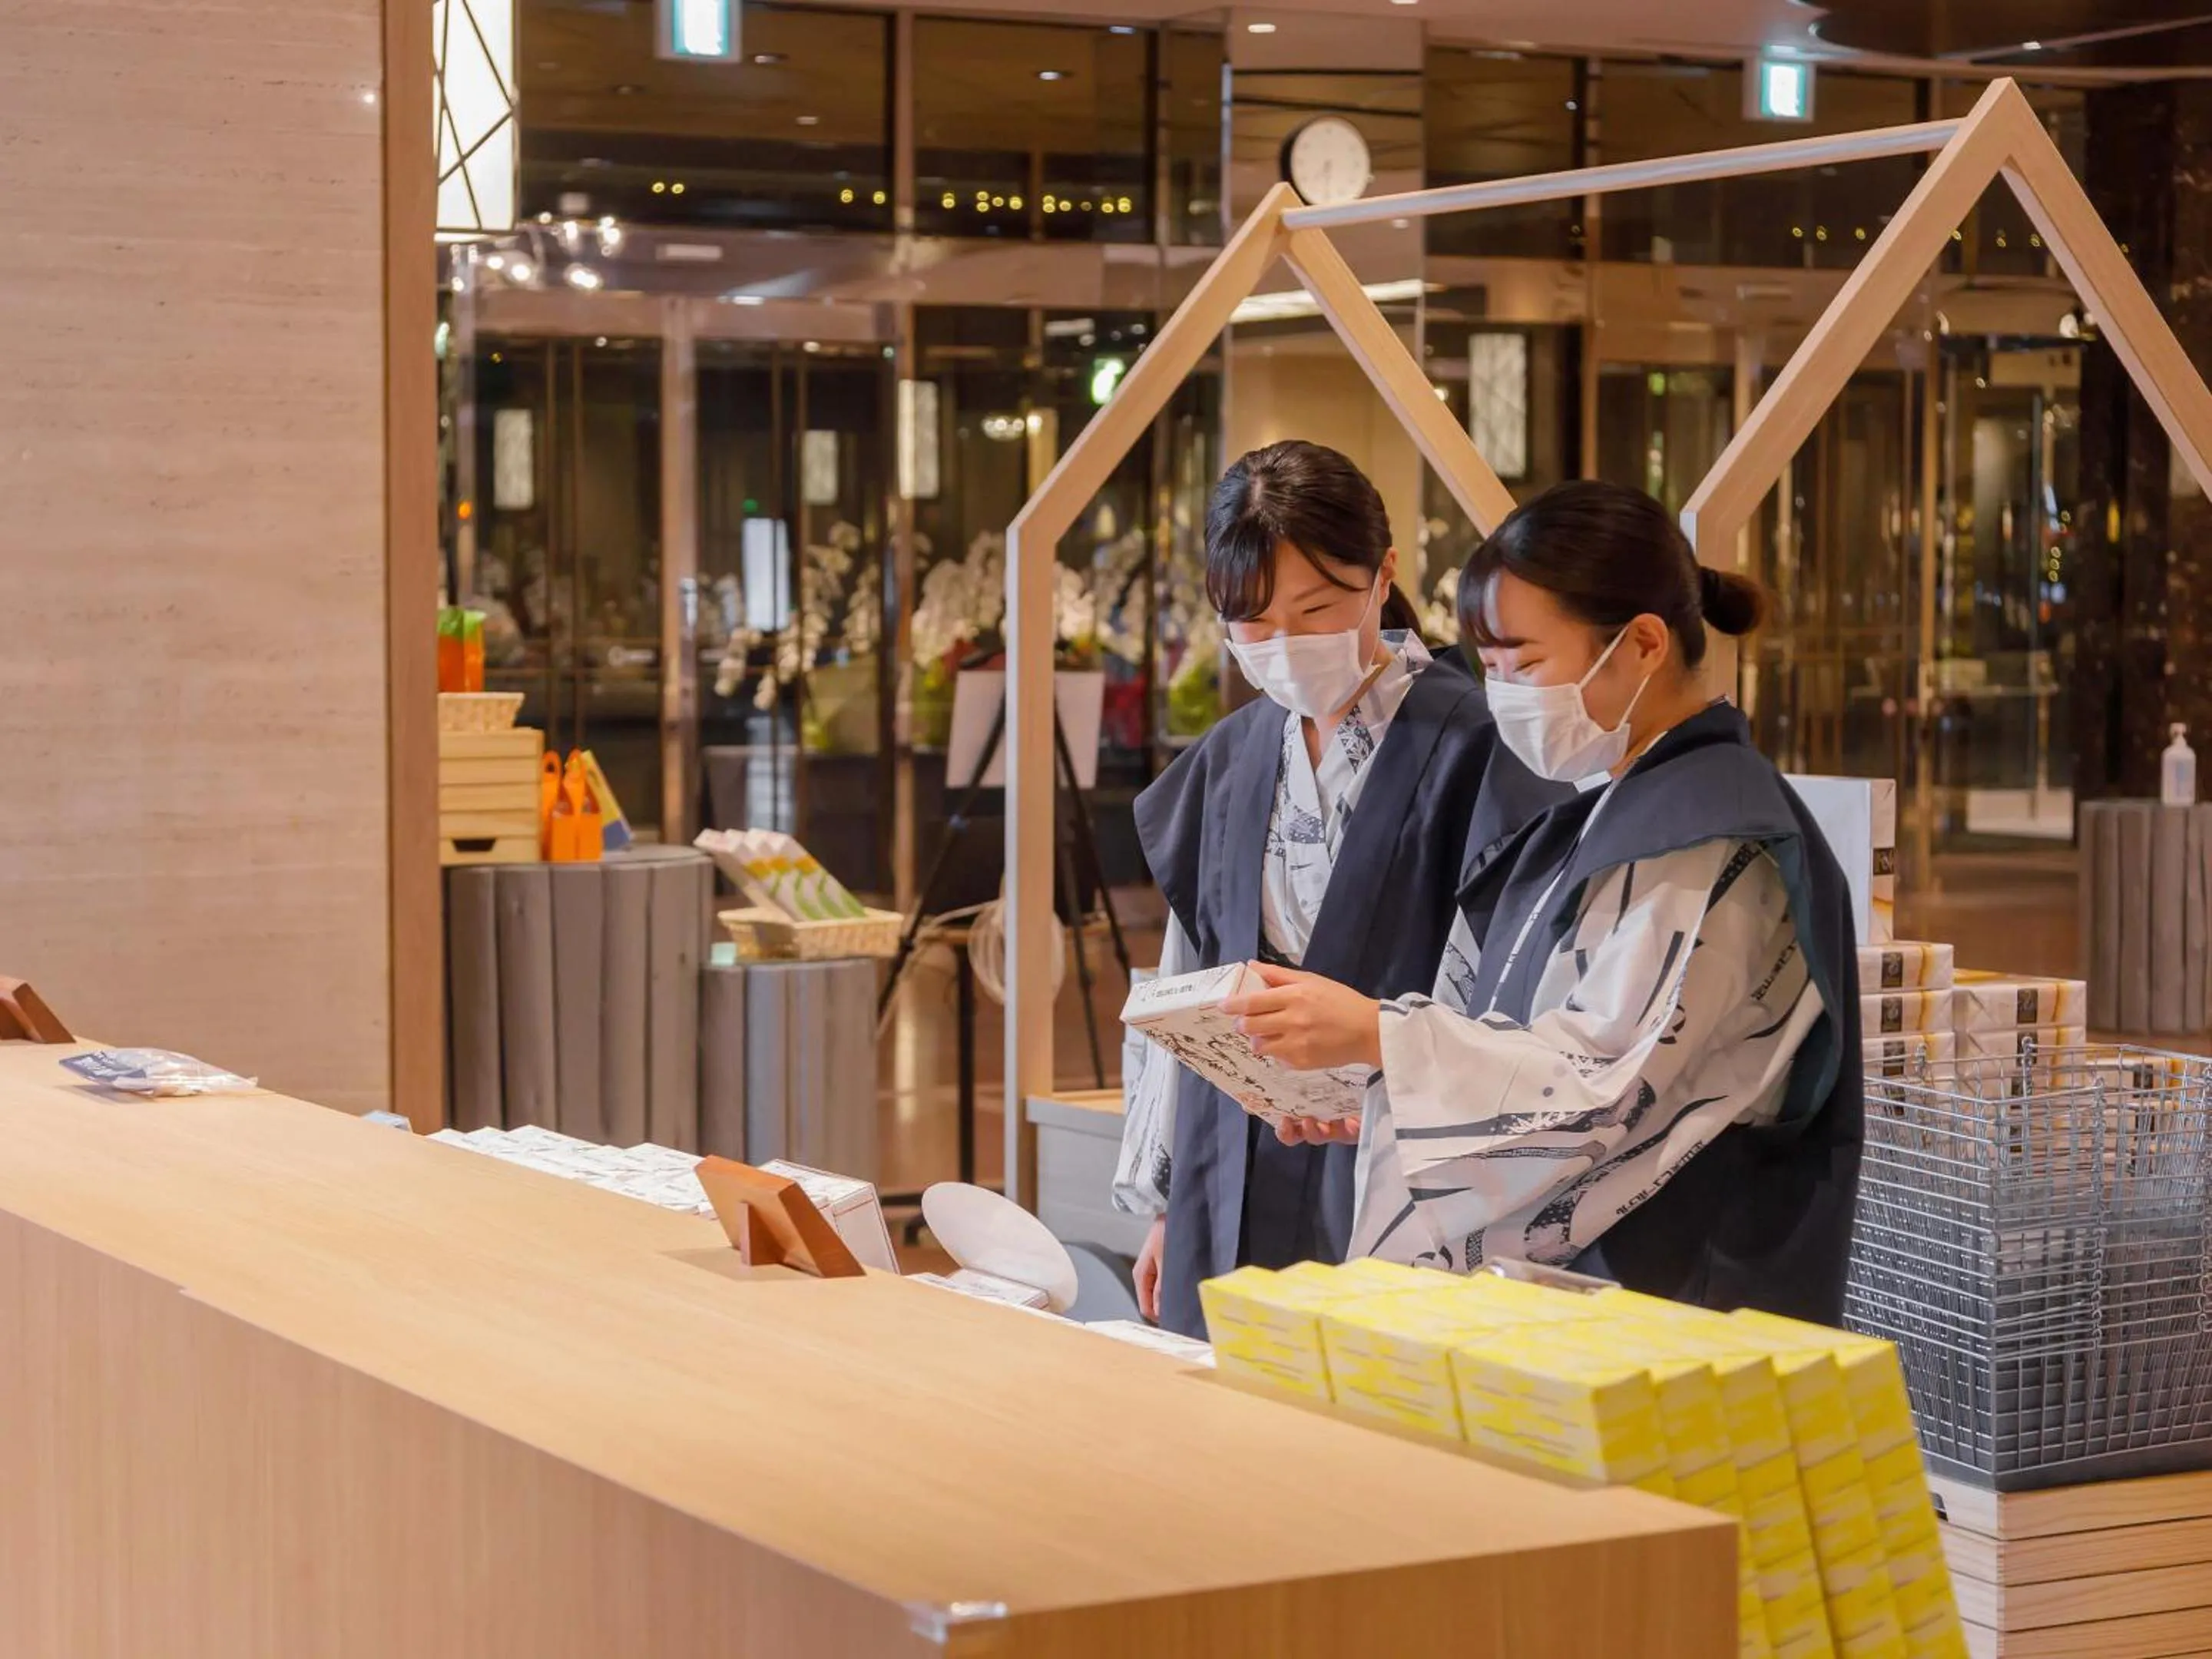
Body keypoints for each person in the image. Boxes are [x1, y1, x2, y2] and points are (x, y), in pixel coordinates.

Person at [1224, 479, 1863, 1323]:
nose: (1504, 696)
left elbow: (1599, 1087)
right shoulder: (1597, 810)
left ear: (1641, 645)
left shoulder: (1710, 836)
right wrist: (1385, 1088)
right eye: (1488, 669)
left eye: (1524, 664)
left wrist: (1381, 1036)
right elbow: (1508, 1038)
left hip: (1667, 1301)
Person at [1114, 440, 1565, 1339]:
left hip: (1391, 1168)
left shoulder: (1480, 748)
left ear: (1384, 575)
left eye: (1315, 609)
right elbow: (1187, 970)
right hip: (1227, 1162)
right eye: (1251, 623)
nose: (1284, 647)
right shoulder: (1231, 760)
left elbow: (1513, 988)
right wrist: (1166, 1200)